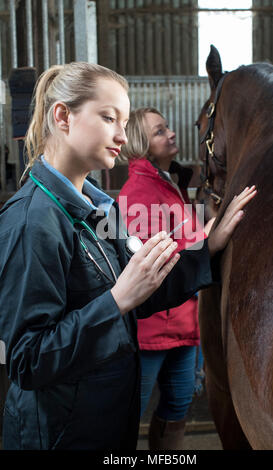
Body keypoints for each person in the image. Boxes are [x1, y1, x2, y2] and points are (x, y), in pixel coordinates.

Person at [0, 63, 256, 451]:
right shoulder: (32, 221)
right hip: (60, 435)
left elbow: (142, 290)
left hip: (106, 423)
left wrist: (209, 247)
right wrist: (115, 301)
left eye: (123, 120)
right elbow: (27, 360)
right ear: (63, 116)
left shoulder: (102, 209)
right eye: (108, 118)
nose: (122, 134)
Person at [117, 107, 216, 449]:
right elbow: (157, 263)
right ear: (143, 145)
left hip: (184, 325)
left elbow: (187, 243)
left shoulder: (168, 184)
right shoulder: (139, 194)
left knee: (178, 407)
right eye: (160, 132)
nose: (171, 133)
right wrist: (210, 239)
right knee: (129, 413)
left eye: (167, 127)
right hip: (154, 329)